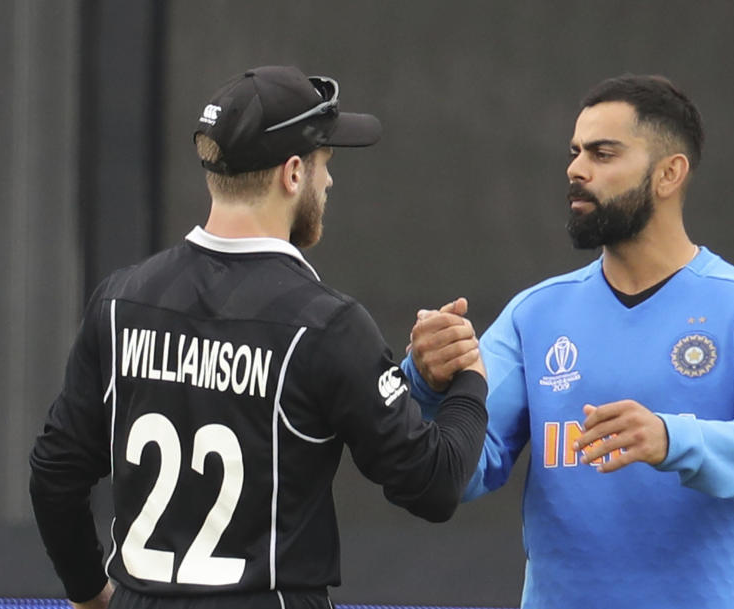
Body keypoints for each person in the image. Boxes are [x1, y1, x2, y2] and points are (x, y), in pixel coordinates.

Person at [29, 65, 488, 609]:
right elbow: (434, 484)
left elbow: (54, 475)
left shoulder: (119, 300)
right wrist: (468, 382)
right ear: (292, 174)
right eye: (324, 165)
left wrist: (90, 593)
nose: (329, 181)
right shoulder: (327, 325)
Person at [403, 74, 734, 609]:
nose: (576, 169)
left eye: (603, 153)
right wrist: (430, 386)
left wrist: (669, 439)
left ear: (670, 174)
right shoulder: (535, 315)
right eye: (575, 153)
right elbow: (460, 473)